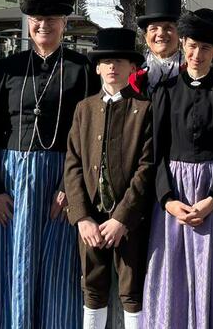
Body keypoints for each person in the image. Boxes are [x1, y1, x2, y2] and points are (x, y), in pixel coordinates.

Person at [0, 0, 99, 329]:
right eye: (36, 20)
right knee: (12, 262)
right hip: (11, 180)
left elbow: (87, 136)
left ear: (64, 23)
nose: (43, 26)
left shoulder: (82, 70)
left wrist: (69, 187)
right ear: (28, 23)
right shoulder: (6, 69)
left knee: (57, 266)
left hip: (60, 177)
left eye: (51, 19)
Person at [144, 8, 213, 329]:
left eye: (205, 48)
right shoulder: (164, 92)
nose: (196, 54)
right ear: (183, 44)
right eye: (191, 45)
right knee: (172, 272)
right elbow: (156, 152)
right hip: (174, 195)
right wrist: (167, 199)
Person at [63, 27, 155, 329]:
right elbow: (73, 164)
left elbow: (146, 167)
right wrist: (81, 217)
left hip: (127, 220)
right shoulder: (84, 109)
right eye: (106, 62)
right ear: (98, 67)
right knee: (93, 287)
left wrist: (122, 218)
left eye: (120, 61)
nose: (113, 67)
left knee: (131, 289)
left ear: (132, 67)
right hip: (91, 216)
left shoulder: (144, 109)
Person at [134, 0, 183, 92]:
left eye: (168, 28)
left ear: (179, 34)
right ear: (146, 37)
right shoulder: (134, 73)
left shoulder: (191, 71)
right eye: (154, 28)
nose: (160, 33)